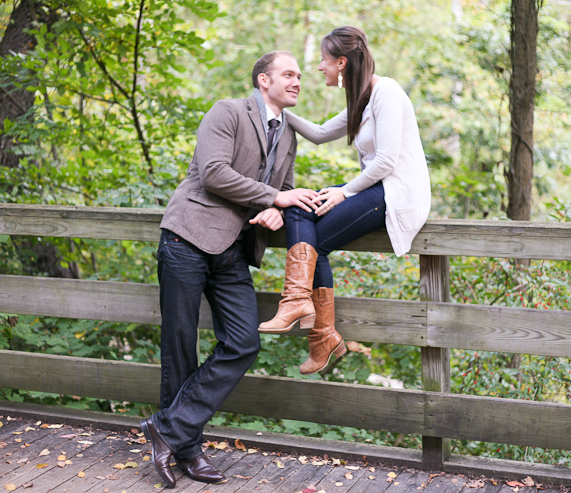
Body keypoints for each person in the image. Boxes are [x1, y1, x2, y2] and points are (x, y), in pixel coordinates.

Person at [140, 51, 319, 488]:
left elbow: (286, 190)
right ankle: (187, 451)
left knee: (243, 341)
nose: (297, 81)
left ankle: (166, 431)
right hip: (188, 237)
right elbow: (214, 173)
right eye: (288, 74)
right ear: (263, 80)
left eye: (299, 75)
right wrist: (272, 199)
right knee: (180, 345)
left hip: (234, 250)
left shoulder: (289, 134)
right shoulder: (228, 112)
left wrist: (279, 210)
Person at [259, 26, 431, 376]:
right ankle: (306, 315)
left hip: (394, 193)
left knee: (315, 243)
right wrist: (273, 105)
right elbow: (321, 133)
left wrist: (345, 191)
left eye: (323, 60)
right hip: (372, 189)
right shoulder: (362, 98)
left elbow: (386, 161)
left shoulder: (387, 92)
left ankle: (318, 331)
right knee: (297, 205)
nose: (320, 68)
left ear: (341, 62)